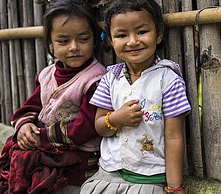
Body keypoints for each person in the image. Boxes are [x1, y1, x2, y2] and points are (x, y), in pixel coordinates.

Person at [80, 0, 191, 193]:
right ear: (111, 40)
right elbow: (99, 126)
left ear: (159, 34)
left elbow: (174, 137)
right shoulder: (110, 79)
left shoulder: (168, 80)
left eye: (141, 32)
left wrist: (174, 186)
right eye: (122, 35)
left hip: (148, 179)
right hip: (109, 174)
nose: (132, 41)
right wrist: (115, 119)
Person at [0, 0, 107, 193]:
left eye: (83, 39)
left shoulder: (95, 79)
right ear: (50, 44)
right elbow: (30, 107)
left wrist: (41, 137)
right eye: (63, 41)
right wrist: (25, 126)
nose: (74, 47)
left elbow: (85, 128)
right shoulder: (47, 75)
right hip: (47, 150)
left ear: (95, 39)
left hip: (76, 162)